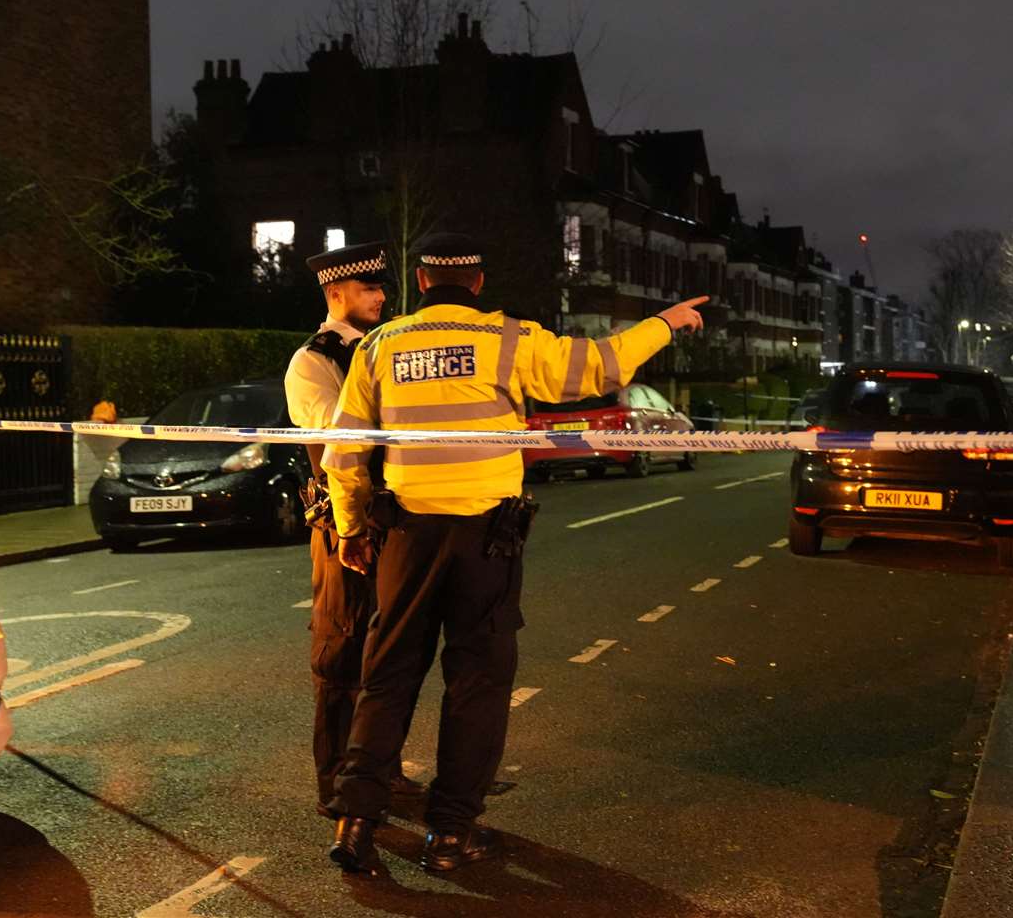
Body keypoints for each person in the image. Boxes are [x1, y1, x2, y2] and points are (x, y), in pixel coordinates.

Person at [321, 231, 708, 875]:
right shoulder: (512, 339)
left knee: (386, 676)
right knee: (477, 682)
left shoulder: (380, 345)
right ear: (476, 284)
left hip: (405, 535)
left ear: (420, 284)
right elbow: (603, 365)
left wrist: (351, 526)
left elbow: (345, 449)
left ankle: (355, 820)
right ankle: (448, 836)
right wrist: (665, 322)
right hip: (485, 540)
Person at [282, 240, 423, 821]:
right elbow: (342, 437)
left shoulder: (384, 349)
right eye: (370, 289)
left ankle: (380, 772)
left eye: (382, 288)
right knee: (341, 648)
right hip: (341, 523)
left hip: (391, 518)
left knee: (387, 650)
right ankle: (336, 782)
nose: (382, 298)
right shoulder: (313, 361)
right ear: (336, 293)